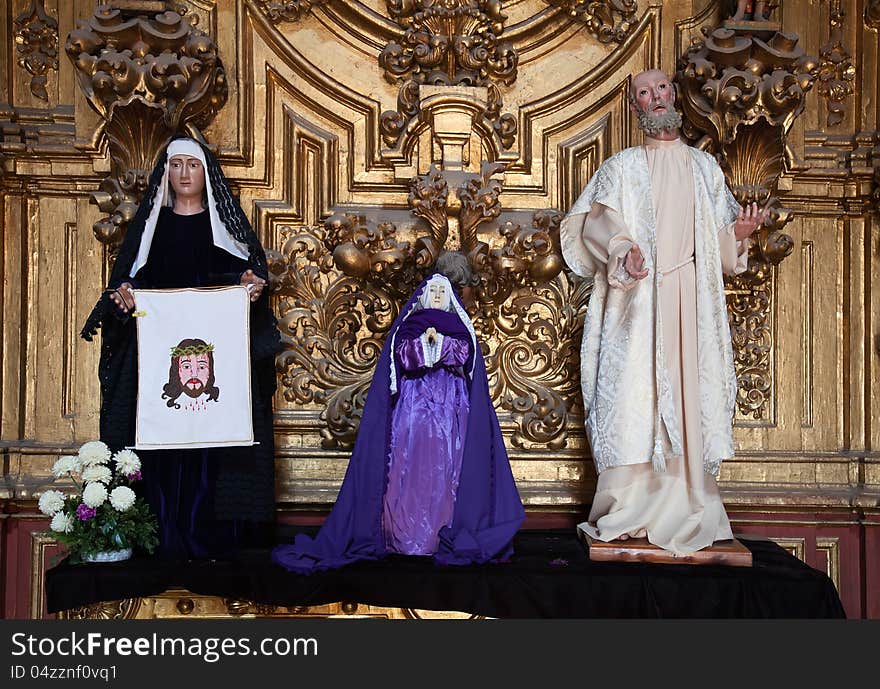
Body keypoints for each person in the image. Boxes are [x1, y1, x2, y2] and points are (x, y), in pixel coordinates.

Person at [560, 69, 767, 554]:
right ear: (636, 106)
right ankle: (633, 508)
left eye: (660, 89)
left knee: (686, 395)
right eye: (643, 93)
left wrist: (738, 234)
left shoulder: (704, 168)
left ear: (674, 96)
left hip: (689, 301)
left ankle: (689, 502)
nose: (654, 98)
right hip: (639, 300)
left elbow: (718, 249)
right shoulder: (621, 167)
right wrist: (623, 249)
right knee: (637, 398)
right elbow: (597, 221)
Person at [81, 137, 281, 560]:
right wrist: (126, 298)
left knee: (216, 450)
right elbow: (128, 286)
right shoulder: (152, 232)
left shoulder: (226, 233)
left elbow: (249, 284)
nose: (185, 174)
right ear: (166, 175)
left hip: (215, 369)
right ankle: (160, 534)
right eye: (177, 166)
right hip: (160, 371)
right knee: (161, 443)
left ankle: (215, 538)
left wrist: (251, 287)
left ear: (205, 174)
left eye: (193, 165)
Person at [272, 253, 525, 573]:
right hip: (415, 409)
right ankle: (408, 537)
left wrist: (441, 345)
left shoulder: (459, 327)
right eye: (431, 292)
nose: (436, 297)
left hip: (450, 410)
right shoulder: (411, 325)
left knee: (446, 470)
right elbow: (402, 356)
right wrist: (425, 346)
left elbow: (465, 355)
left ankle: (437, 534)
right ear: (423, 294)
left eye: (441, 293)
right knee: (412, 469)